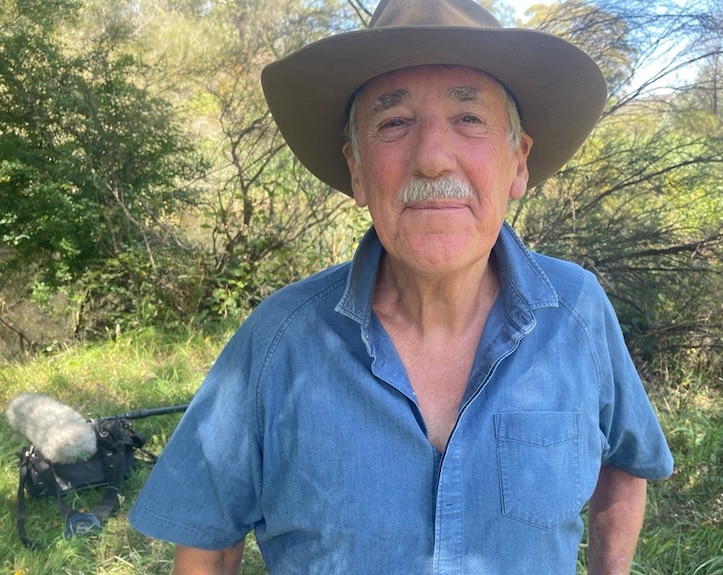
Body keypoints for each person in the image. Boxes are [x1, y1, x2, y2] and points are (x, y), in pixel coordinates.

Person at [129, 0, 674, 573]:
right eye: (394, 123)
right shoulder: (277, 341)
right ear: (358, 170)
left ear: (518, 161)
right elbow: (207, 542)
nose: (433, 158)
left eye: (468, 118)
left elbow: (627, 460)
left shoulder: (577, 313)